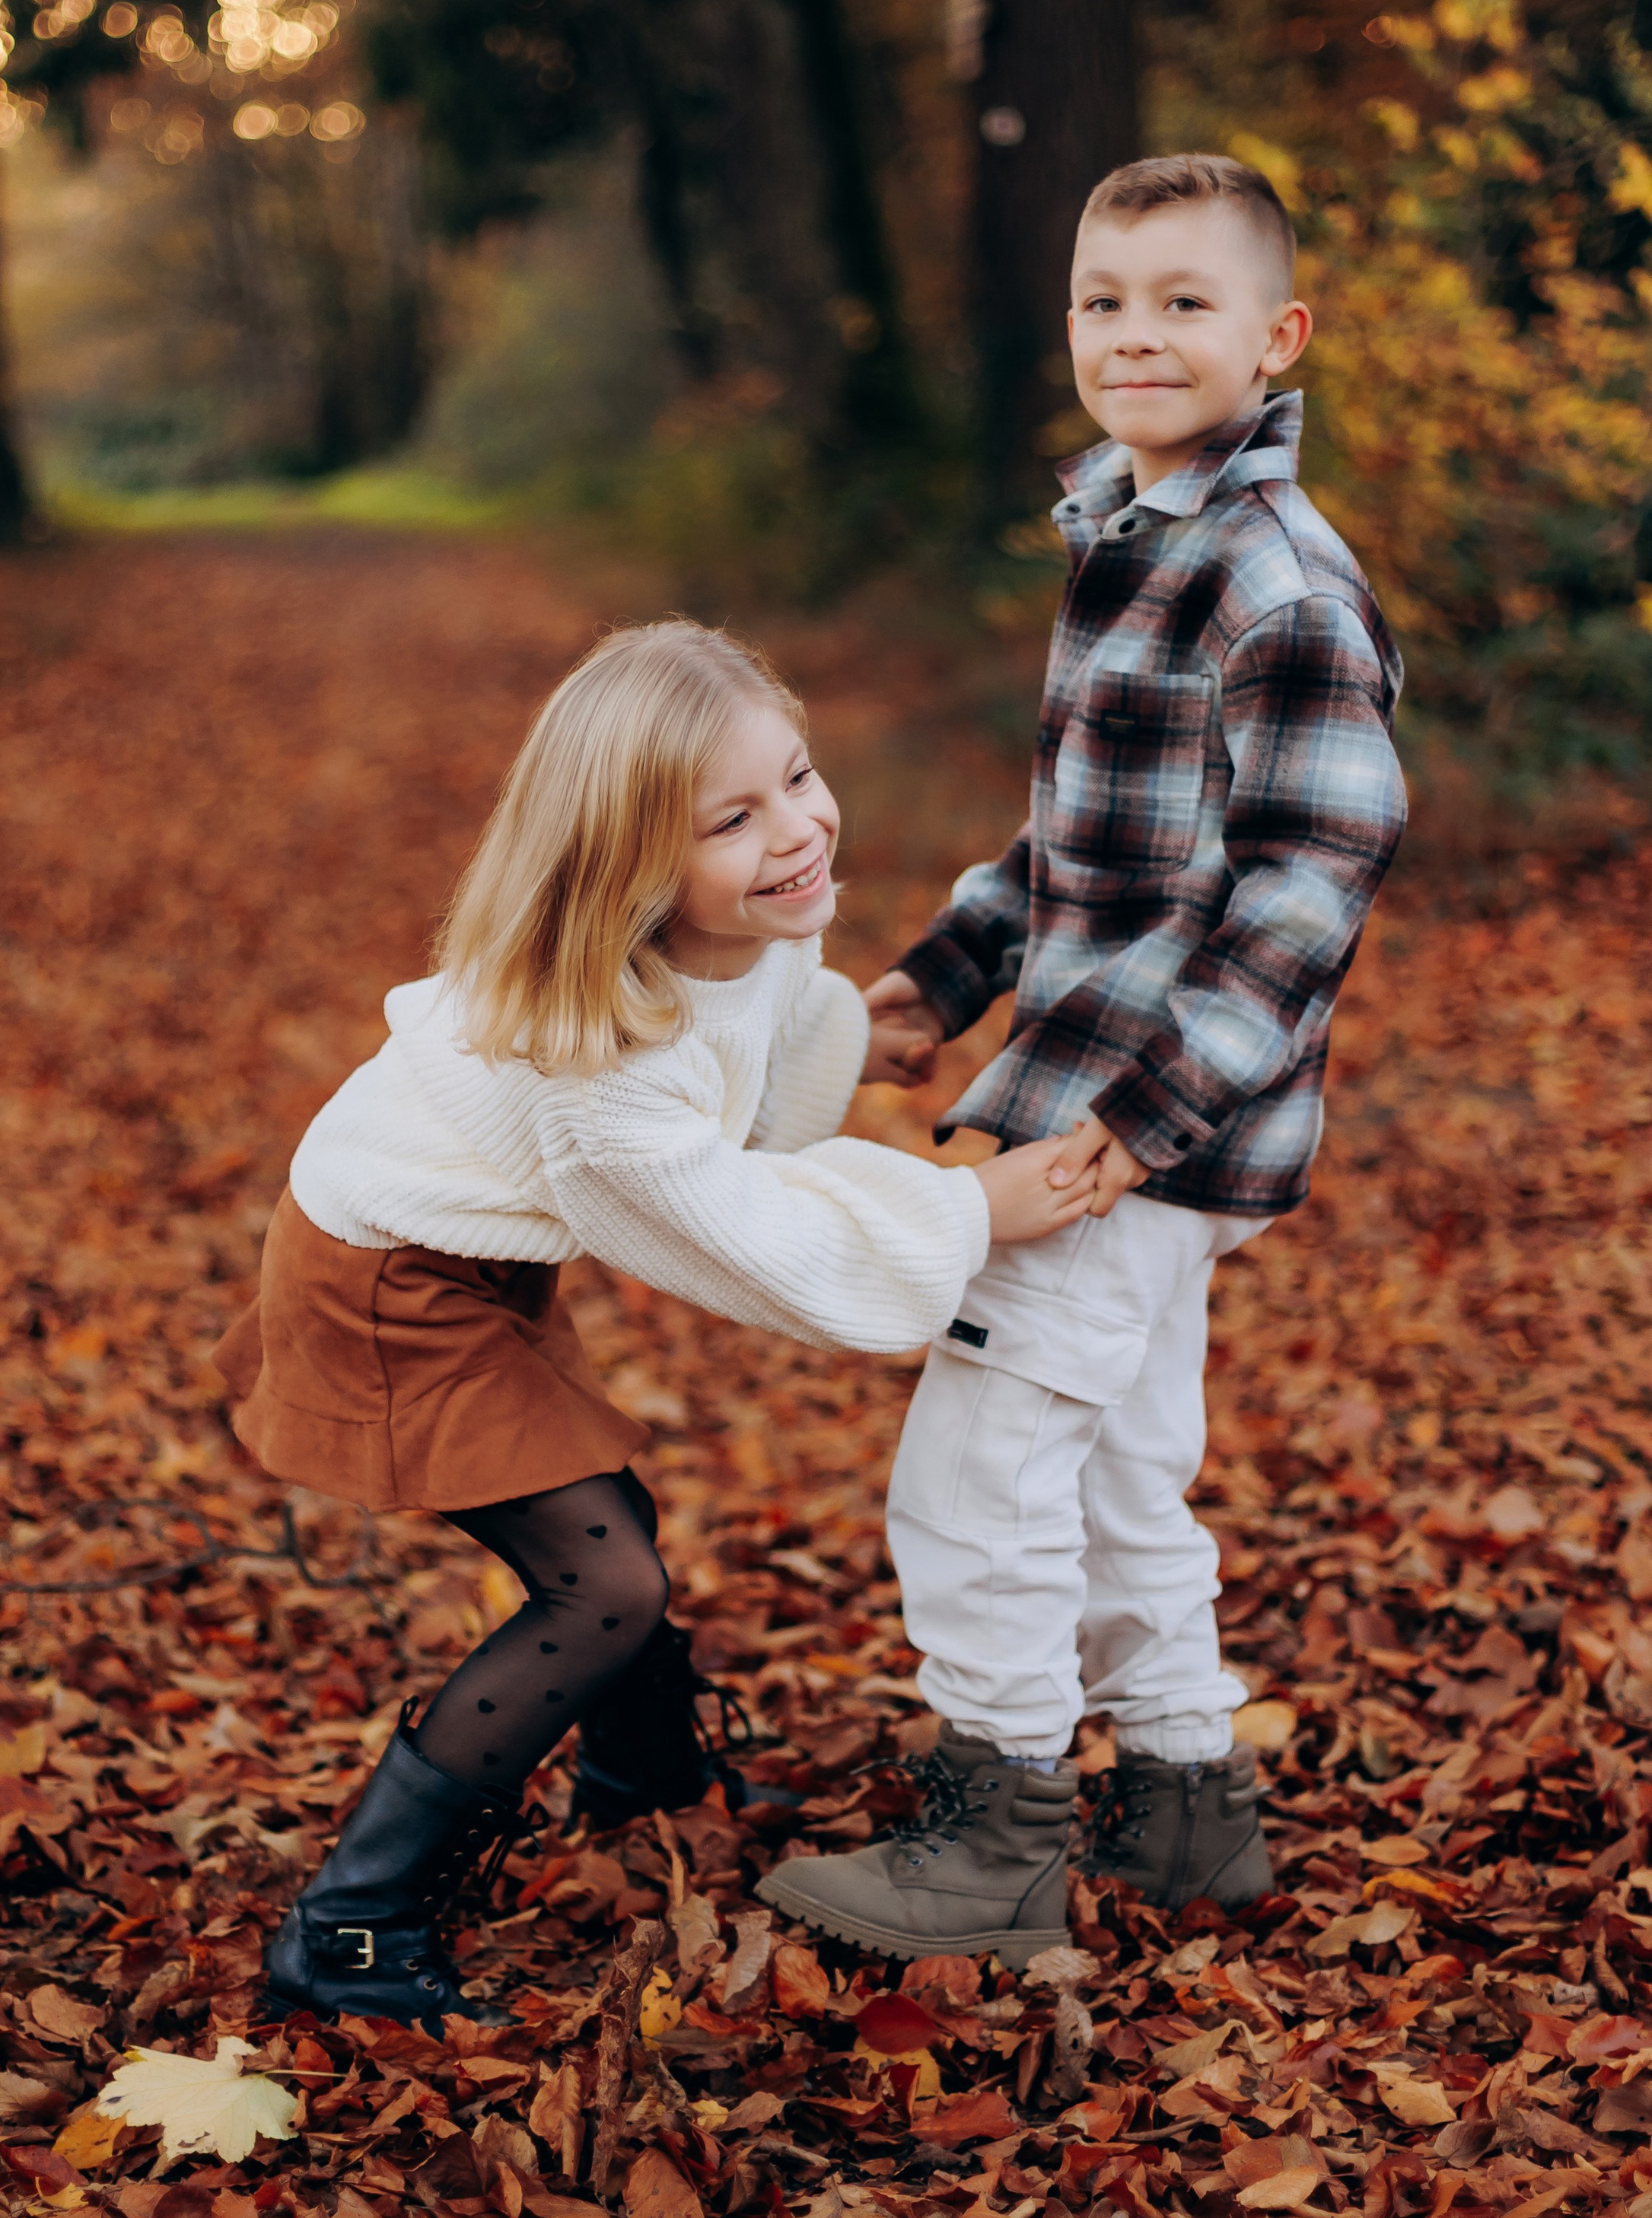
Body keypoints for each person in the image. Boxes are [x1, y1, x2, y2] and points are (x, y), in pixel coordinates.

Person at [214, 620, 1101, 2032]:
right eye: (733, 821)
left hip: (467, 1269)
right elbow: (741, 1221)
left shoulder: (704, 940)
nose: (799, 830)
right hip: (383, 1289)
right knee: (603, 1581)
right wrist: (968, 1212)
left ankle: (647, 1779)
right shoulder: (594, 1066)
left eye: (798, 779)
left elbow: (745, 1032)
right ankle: (352, 1927)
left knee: (602, 1510)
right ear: (633, 868)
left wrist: (843, 1040)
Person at [760, 152, 1407, 1966]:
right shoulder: (1132, 533)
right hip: (1101, 1088)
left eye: (1182, 303)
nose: (1135, 334)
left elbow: (1302, 894)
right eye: (1102, 300)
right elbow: (1079, 849)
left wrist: (1126, 1130)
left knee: (973, 1470)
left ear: (1275, 337)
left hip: (1137, 1127)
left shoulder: (1274, 585)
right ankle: (1187, 1803)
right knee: (1122, 1464)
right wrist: (929, 984)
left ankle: (997, 1839)